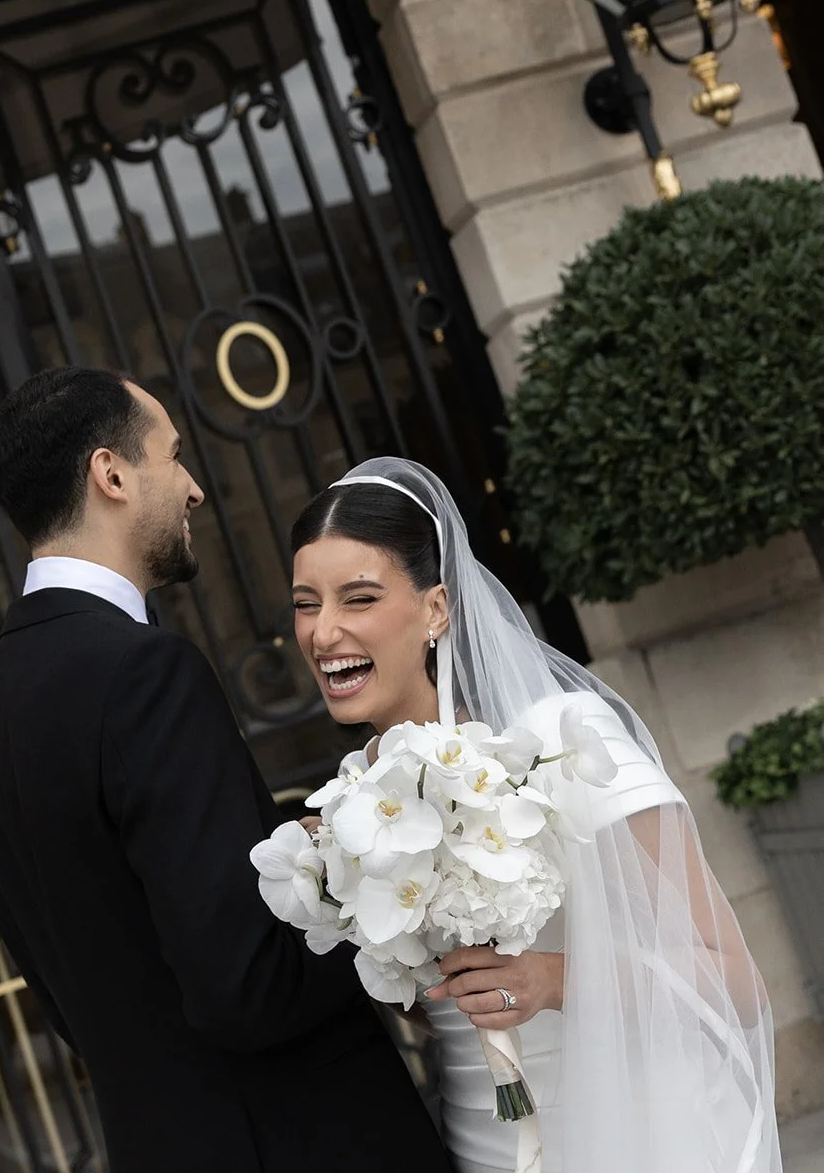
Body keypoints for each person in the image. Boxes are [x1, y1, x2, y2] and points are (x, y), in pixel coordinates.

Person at [0, 369, 451, 1173]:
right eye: (172, 455)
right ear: (111, 475)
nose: (193, 488)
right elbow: (245, 988)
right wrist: (382, 899)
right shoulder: (144, 672)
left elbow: (76, 1005)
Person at [288, 458, 780, 1173]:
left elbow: (734, 979)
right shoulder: (355, 800)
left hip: (632, 1136)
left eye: (358, 598)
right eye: (305, 604)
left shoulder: (560, 742)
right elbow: (432, 1003)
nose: (323, 631)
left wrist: (551, 980)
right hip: (484, 1142)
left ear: (436, 608)